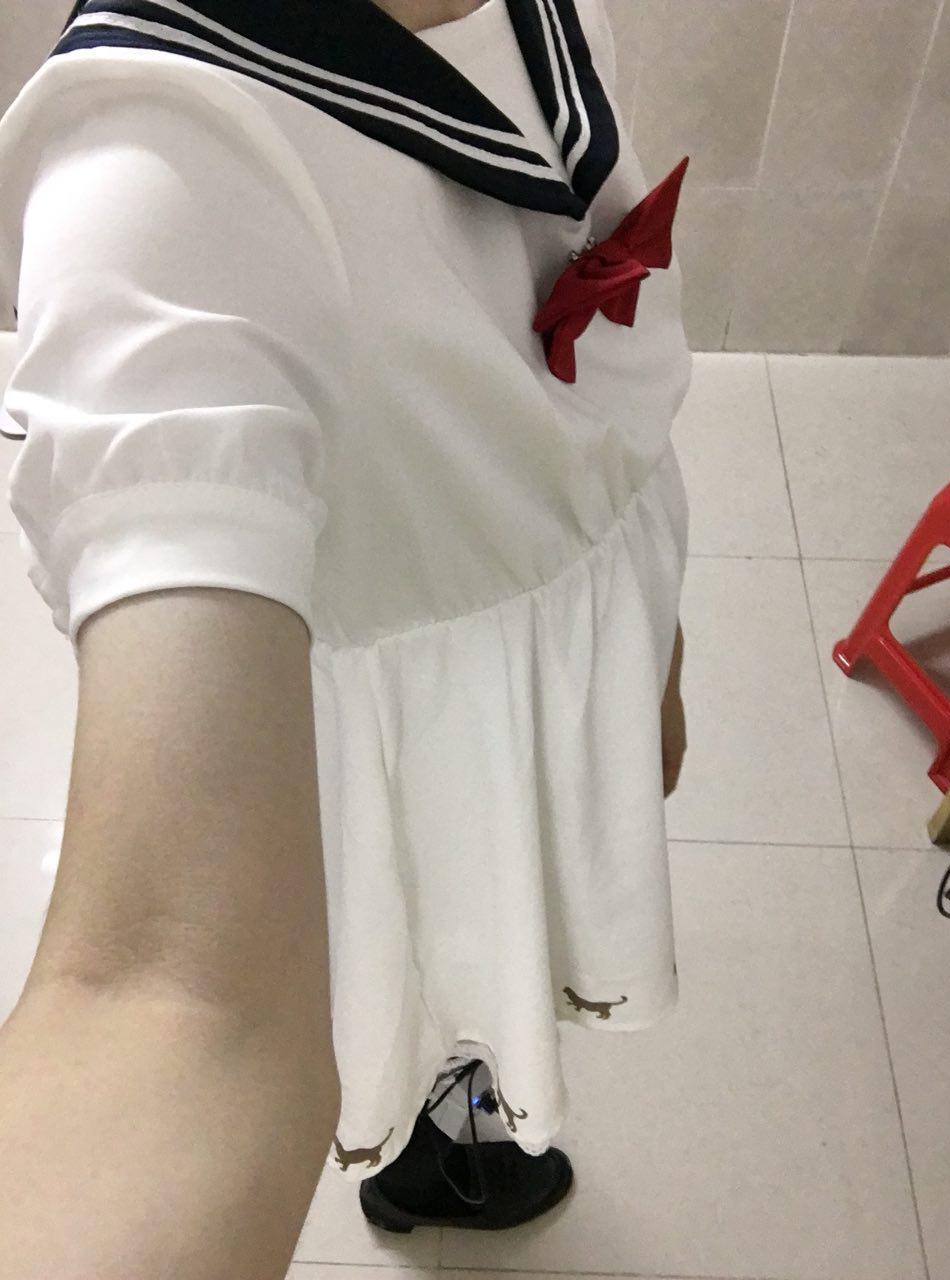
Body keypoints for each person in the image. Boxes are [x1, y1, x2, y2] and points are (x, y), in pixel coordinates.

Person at [0, 0, 690, 1274]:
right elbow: (166, 998)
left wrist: (652, 651)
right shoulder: (160, 164)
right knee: (442, 950)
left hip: (568, 630)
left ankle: (478, 1087)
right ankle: (454, 1133)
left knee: (501, 932)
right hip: (423, 734)